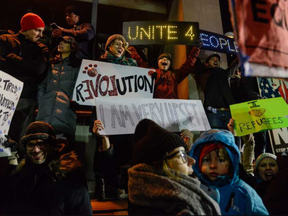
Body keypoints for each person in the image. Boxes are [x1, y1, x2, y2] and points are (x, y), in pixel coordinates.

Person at [128, 119, 222, 215]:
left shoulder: (141, 197)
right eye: (182, 155)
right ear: (161, 163)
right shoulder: (178, 208)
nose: (192, 161)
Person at [2, 121, 92, 215]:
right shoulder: (22, 175)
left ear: (52, 146)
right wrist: (12, 157)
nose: (36, 150)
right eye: (31, 145)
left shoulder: (71, 178)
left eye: (41, 144)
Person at [189, 129, 269, 215]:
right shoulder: (192, 191)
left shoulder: (244, 193)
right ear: (198, 162)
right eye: (207, 160)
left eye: (220, 160)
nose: (213, 165)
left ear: (231, 163)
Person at [0, 13, 49, 151]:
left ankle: (15, 168)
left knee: (18, 139)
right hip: (2, 97)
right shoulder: (5, 39)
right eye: (37, 30)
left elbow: (39, 69)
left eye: (42, 31)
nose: (40, 35)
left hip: (25, 99)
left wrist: (12, 58)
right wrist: (25, 67)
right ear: (26, 28)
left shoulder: (41, 48)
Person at [36, 36, 82, 147]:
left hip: (66, 112)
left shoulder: (78, 65)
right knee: (43, 147)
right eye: (59, 42)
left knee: (63, 151)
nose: (60, 44)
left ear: (72, 47)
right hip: (45, 111)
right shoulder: (52, 64)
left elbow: (81, 88)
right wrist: (42, 99)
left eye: (64, 43)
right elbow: (43, 84)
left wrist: (73, 102)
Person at [194, 53, 240, 130]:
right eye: (212, 59)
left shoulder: (224, 74)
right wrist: (195, 46)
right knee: (216, 138)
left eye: (218, 60)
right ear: (206, 63)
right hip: (213, 113)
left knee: (232, 138)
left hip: (229, 112)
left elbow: (236, 63)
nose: (216, 60)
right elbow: (194, 58)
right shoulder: (203, 73)